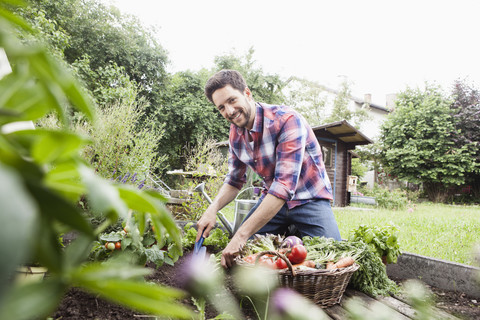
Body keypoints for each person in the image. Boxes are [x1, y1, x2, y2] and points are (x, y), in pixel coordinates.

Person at [196, 70, 341, 268]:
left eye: (232, 100)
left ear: (247, 93)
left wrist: (240, 235)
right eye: (221, 107)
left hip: (310, 199)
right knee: (240, 258)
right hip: (272, 202)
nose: (229, 111)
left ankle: (294, 233)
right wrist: (211, 209)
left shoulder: (287, 120)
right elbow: (234, 180)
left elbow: (283, 186)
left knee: (332, 258)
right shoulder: (235, 134)